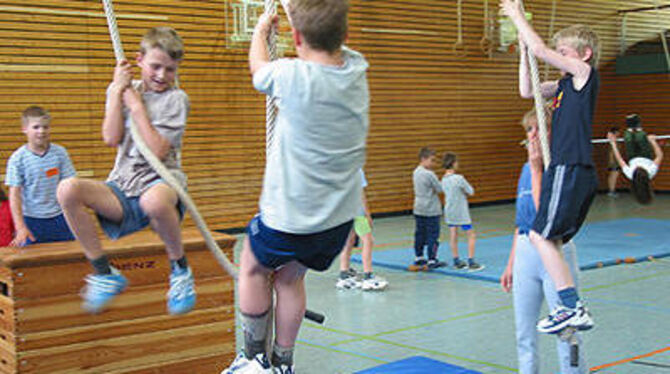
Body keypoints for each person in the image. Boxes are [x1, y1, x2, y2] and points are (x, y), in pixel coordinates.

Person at [222, 1, 369, 372]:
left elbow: (258, 70)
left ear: (297, 37)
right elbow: (324, 39)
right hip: (336, 225)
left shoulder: (291, 75)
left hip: (291, 217)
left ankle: (254, 358)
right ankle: (283, 361)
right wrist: (294, 12)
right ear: (346, 38)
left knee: (253, 267)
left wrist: (259, 31)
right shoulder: (356, 70)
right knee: (290, 277)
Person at [56, 27, 194, 316]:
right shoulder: (126, 89)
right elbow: (111, 137)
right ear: (139, 60)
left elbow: (157, 151)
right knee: (67, 189)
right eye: (155, 66)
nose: (161, 76)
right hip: (123, 183)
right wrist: (115, 93)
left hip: (161, 181)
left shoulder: (176, 99)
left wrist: (138, 108)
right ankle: (104, 272)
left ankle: (180, 270)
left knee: (153, 201)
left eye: (170, 70)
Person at [501, 0, 598, 333]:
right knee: (549, 239)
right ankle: (570, 306)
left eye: (565, 52)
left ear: (583, 55)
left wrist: (517, 18)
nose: (560, 56)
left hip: (570, 166)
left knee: (539, 236)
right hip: (568, 170)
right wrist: (525, 55)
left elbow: (541, 50)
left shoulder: (584, 76)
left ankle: (571, 306)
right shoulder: (563, 87)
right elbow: (527, 90)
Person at [501, 108, 587, 373]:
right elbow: (522, 222)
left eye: (540, 128)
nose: (533, 135)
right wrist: (510, 263)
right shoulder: (527, 168)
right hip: (526, 253)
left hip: (554, 252)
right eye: (529, 130)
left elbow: (545, 221)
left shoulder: (559, 170)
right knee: (524, 332)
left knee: (567, 331)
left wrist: (538, 169)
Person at [5, 106, 76, 247]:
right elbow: (14, 195)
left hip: (60, 217)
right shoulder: (18, 158)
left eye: (45, 127)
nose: (41, 131)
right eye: (36, 127)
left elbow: (70, 185)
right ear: (25, 129)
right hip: (31, 220)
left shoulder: (60, 153)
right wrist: (20, 228)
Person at [336, 169, 388, 291]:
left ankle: (344, 274)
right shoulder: (356, 169)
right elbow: (360, 193)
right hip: (357, 212)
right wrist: (367, 213)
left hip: (343, 212)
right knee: (368, 240)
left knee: (348, 240)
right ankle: (368, 275)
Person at [441, 153, 484, 271]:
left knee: (453, 234)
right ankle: (471, 261)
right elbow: (471, 191)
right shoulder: (459, 178)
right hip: (460, 211)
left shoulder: (443, 179)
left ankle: (456, 260)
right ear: (453, 164)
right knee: (471, 234)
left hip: (449, 210)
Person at [607, 115, 663, 205]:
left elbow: (620, 159)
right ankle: (636, 123)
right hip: (646, 155)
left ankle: (631, 124)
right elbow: (659, 156)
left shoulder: (630, 175)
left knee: (628, 137)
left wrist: (613, 143)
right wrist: (653, 142)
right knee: (640, 137)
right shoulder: (650, 172)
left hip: (632, 156)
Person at [410, 147, 446, 271]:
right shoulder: (429, 174)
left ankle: (418, 256)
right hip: (431, 208)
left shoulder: (416, 172)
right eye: (431, 160)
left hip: (419, 206)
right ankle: (432, 259)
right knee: (432, 235)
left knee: (420, 233)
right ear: (423, 159)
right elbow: (440, 189)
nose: (433, 163)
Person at [605, 127, 620, 198]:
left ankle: (611, 190)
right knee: (613, 176)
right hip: (614, 161)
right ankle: (611, 191)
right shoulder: (612, 141)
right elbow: (611, 152)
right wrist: (611, 161)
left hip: (615, 161)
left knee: (612, 175)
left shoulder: (615, 140)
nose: (619, 133)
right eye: (618, 132)